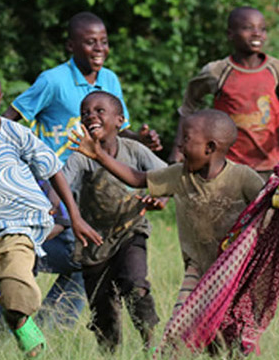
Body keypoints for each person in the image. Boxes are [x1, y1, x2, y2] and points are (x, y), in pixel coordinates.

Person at [3, 11, 161, 327]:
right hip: (55, 181)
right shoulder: (53, 80)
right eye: (90, 42)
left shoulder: (109, 80)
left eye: (103, 41)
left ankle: (49, 323)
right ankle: (8, 293)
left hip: (92, 184)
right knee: (56, 247)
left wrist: (140, 139)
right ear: (71, 46)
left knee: (89, 253)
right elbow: (11, 118)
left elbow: (118, 128)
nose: (99, 48)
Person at [0, 69, 101, 359]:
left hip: (19, 224)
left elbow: (54, 169)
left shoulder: (16, 134)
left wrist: (74, 217)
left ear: (0, 102)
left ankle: (21, 324)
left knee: (17, 287)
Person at [74, 109, 263, 313]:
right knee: (181, 322)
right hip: (197, 267)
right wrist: (100, 156)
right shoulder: (179, 175)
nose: (179, 146)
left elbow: (268, 206)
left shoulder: (243, 177)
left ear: (209, 147)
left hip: (236, 267)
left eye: (186, 139)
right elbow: (137, 178)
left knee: (232, 320)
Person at [63, 91, 166, 352]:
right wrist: (68, 215)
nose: (91, 116)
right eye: (85, 113)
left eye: (100, 111)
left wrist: (160, 198)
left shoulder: (134, 150)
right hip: (94, 241)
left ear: (120, 120)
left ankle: (151, 346)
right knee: (103, 308)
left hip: (130, 231)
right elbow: (61, 185)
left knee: (135, 284)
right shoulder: (80, 156)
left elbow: (167, 177)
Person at [173, 6, 279, 179]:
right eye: (247, 28)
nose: (257, 34)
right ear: (230, 34)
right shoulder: (218, 71)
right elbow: (188, 106)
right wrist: (179, 147)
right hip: (226, 167)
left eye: (262, 29)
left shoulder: (276, 70)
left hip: (267, 167)